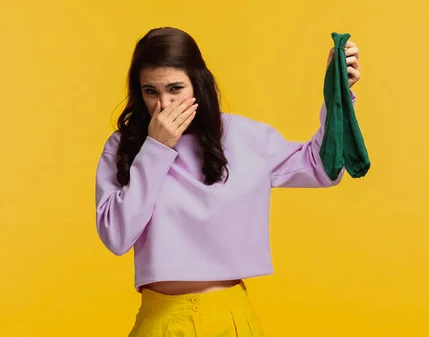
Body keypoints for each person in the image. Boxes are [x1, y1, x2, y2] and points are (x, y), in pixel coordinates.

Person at [95, 27, 361, 336]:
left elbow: (322, 168)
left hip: (231, 318)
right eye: (150, 91)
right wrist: (156, 149)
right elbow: (115, 236)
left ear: (198, 83)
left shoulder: (244, 137)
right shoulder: (123, 146)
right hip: (161, 321)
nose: (164, 105)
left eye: (176, 88)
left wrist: (337, 93)